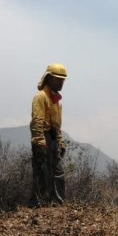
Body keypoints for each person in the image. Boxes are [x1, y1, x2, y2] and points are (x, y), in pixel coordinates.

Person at [30, 63, 68, 207]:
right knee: (42, 173)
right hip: (43, 137)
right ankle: (38, 205)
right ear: (49, 78)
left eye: (62, 80)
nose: (61, 82)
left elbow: (57, 126)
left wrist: (60, 142)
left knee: (58, 173)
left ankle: (58, 204)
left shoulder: (55, 100)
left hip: (52, 138)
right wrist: (39, 141)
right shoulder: (40, 97)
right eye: (58, 79)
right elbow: (37, 121)